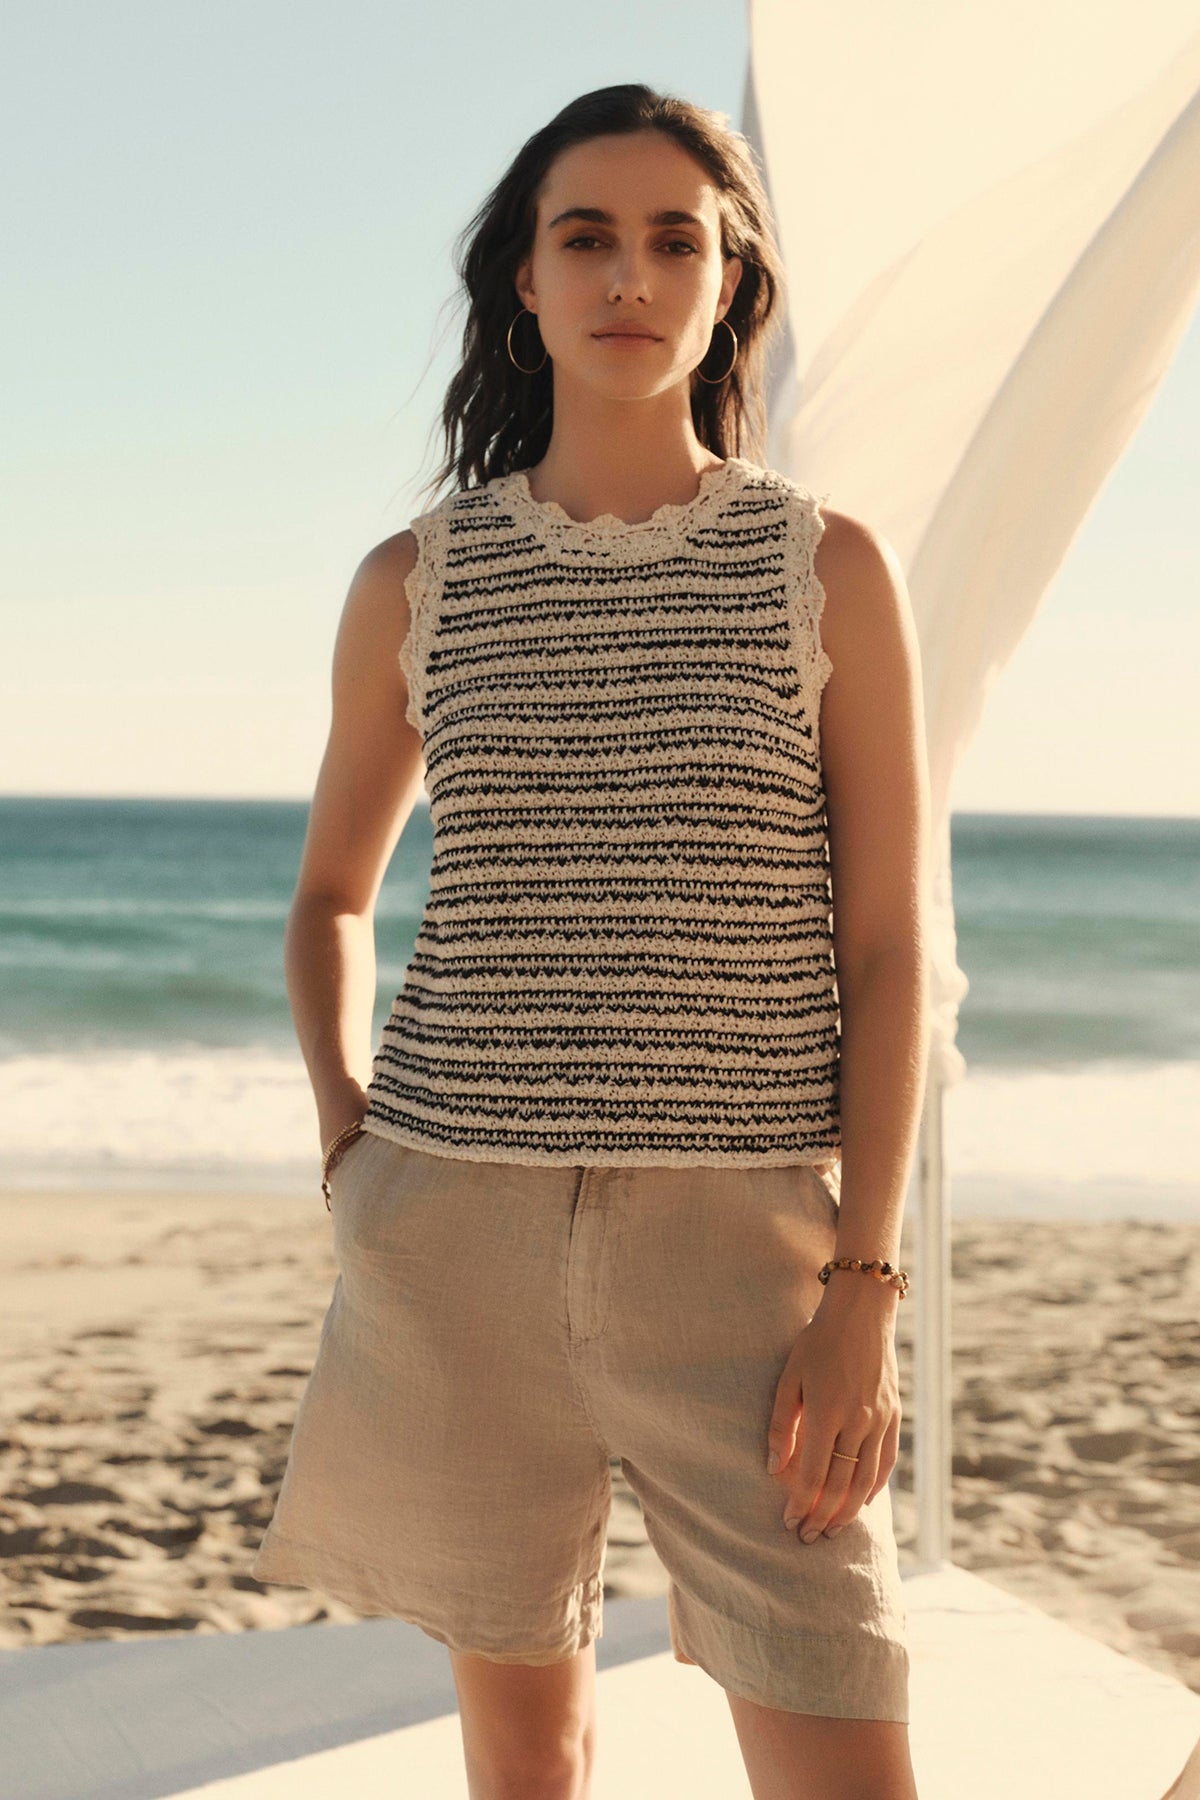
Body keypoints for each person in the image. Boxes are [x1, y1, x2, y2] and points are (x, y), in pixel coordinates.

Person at [252, 81, 929, 1800]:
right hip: (448, 1229)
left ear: (727, 288)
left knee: (842, 1743)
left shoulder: (824, 569)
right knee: (525, 1761)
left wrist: (864, 1283)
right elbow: (331, 898)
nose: (631, 274)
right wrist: (353, 1155)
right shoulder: (419, 578)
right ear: (526, 286)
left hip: (747, 1253)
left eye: (673, 241)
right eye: (587, 237)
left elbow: (890, 952)